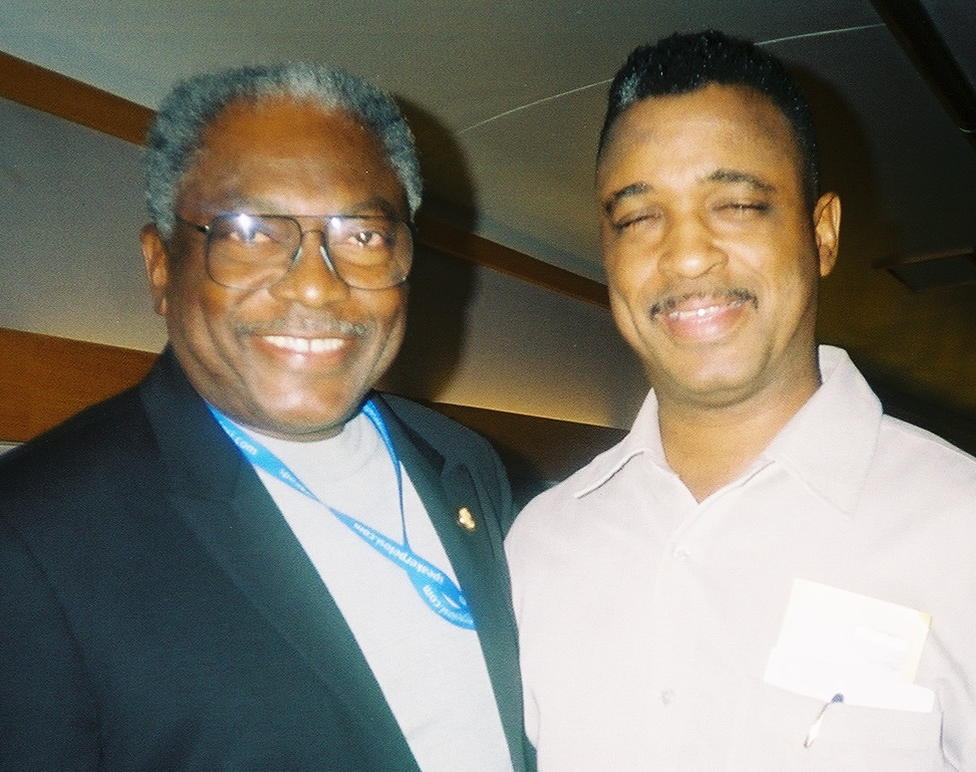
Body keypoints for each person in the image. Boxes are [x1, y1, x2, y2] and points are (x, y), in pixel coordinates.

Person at [0, 63, 532, 771]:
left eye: (363, 236)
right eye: (250, 232)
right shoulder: (33, 533)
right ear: (161, 267)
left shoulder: (463, 463)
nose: (316, 286)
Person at [506, 30, 976, 770]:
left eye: (737, 204)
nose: (688, 255)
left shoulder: (959, 528)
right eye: (638, 218)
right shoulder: (539, 545)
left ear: (822, 234)